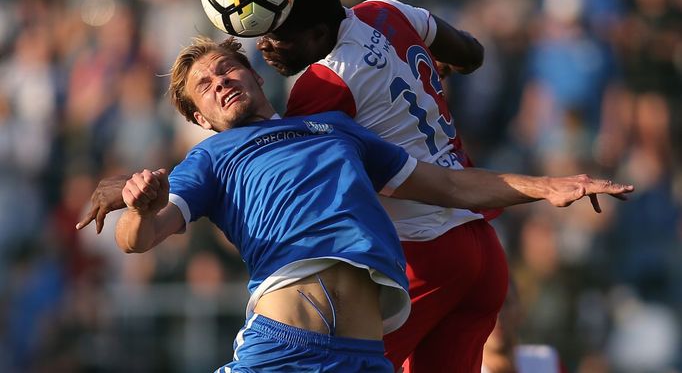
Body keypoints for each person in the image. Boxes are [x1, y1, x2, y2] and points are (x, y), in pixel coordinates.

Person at [77, 36, 634, 371]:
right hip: (284, 342)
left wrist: (546, 187)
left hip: (364, 357)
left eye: (227, 68)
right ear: (200, 119)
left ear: (253, 73)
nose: (220, 81)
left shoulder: (333, 127)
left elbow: (450, 187)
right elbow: (141, 239)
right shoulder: (213, 157)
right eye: (204, 85)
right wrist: (141, 210)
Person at [255, 0, 503, 372]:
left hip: (421, 256)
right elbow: (471, 54)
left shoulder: (323, 85)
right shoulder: (385, 10)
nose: (264, 45)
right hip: (482, 249)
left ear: (318, 34)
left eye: (279, 37)